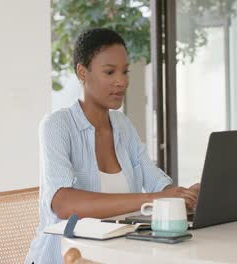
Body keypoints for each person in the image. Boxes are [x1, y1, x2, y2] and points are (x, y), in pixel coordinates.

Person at [25, 28, 200, 264]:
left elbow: (158, 184)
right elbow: (63, 204)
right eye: (110, 72)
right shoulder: (58, 125)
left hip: (119, 256)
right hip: (67, 258)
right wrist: (153, 199)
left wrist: (186, 195)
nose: (122, 81)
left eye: (125, 71)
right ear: (82, 72)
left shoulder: (123, 126)